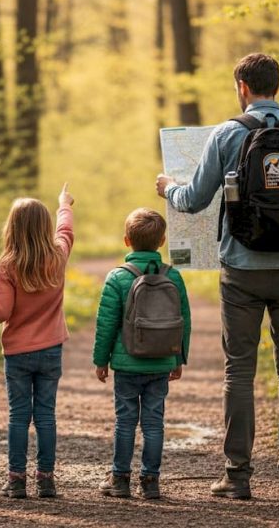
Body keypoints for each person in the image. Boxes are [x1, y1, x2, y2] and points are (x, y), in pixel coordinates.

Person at [155, 53, 279, 500]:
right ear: (276, 86)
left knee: (239, 371)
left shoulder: (226, 134)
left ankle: (237, 475)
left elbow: (193, 200)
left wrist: (168, 188)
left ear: (243, 88)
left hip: (241, 271)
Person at [0, 185, 75, 499]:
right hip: (51, 349)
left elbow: (2, 310)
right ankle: (46, 479)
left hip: (17, 353)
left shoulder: (8, 265)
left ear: (12, 228)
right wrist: (64, 203)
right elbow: (66, 229)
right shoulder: (58, 255)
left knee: (18, 415)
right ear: (44, 227)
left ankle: (16, 480)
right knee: (46, 415)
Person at [92, 208, 192, 500]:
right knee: (154, 422)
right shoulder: (173, 276)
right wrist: (178, 358)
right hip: (160, 362)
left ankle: (120, 479)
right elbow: (183, 321)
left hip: (127, 364)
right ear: (162, 242)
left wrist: (101, 360)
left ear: (127, 241)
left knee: (125, 421)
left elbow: (106, 323)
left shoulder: (117, 277)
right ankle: (150, 481)